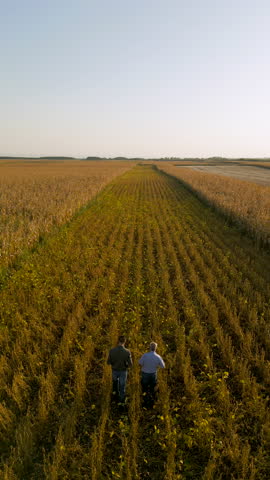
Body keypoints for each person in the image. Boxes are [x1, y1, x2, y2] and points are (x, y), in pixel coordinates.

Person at [138, 342, 165, 408]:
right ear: (156, 348)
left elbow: (140, 363)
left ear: (150, 347)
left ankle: (144, 402)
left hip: (145, 374)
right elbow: (163, 366)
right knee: (152, 389)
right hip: (153, 374)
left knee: (144, 388)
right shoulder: (158, 356)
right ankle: (152, 403)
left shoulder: (145, 355)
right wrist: (157, 365)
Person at [107, 335, 132, 404]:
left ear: (118, 341)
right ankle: (121, 401)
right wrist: (126, 365)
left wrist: (113, 363)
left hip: (114, 371)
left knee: (115, 385)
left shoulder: (112, 351)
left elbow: (108, 362)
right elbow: (130, 364)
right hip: (123, 372)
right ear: (125, 341)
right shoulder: (127, 352)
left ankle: (114, 398)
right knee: (122, 387)